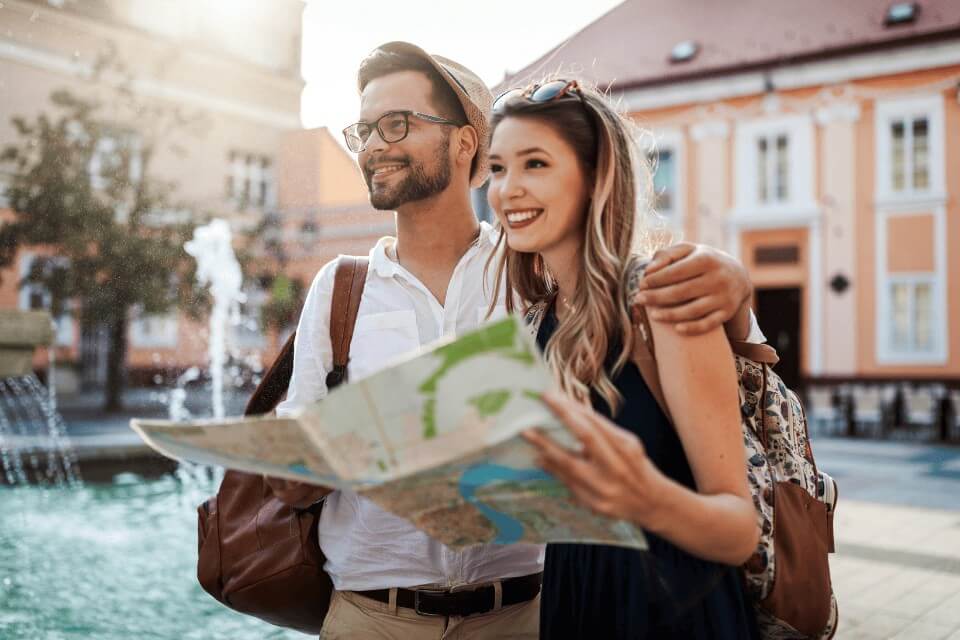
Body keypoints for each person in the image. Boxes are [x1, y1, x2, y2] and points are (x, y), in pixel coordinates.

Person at [274, 43, 757, 639]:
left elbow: (653, 308)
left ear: (462, 143)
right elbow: (289, 476)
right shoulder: (341, 287)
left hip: (530, 612)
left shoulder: (533, 278)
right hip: (380, 615)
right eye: (364, 129)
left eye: (396, 123)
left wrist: (735, 291)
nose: (373, 144)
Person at [486, 79, 761, 639]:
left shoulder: (658, 301)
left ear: (594, 179)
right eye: (496, 168)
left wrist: (649, 499)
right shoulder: (535, 321)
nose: (507, 189)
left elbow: (739, 530)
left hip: (672, 609)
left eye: (534, 164)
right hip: (575, 597)